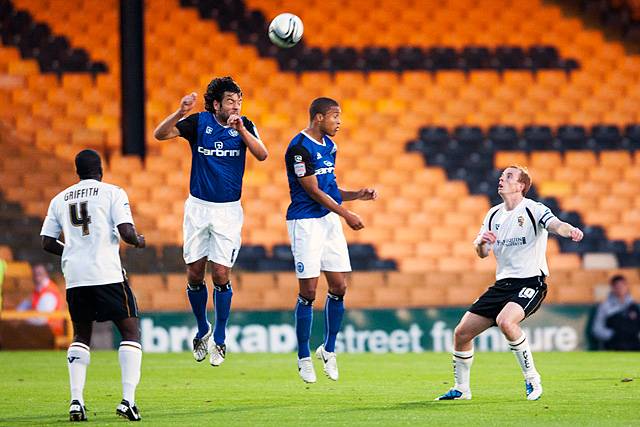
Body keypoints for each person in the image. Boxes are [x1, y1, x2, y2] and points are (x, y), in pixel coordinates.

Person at [435, 165, 583, 401]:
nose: (501, 179)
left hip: (531, 282)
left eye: (508, 176)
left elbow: (555, 224)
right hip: (502, 285)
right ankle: (462, 389)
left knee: (506, 321)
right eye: (502, 176)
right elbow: (481, 252)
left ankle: (532, 379)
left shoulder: (533, 209)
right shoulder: (493, 214)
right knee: (462, 333)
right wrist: (483, 242)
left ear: (521, 185)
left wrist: (570, 230)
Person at [153, 76, 268, 367]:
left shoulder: (246, 126)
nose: (236, 106)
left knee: (220, 275)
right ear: (216, 104)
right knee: (194, 273)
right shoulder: (198, 123)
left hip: (228, 211)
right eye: (230, 101)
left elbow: (263, 155)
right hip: (198, 208)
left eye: (239, 101)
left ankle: (219, 336)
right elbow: (160, 135)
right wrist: (180, 113)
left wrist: (242, 129)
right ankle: (202, 328)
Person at [40, 149, 146, 421]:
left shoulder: (59, 199)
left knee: (80, 335)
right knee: (130, 330)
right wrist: (139, 241)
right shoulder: (113, 193)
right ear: (100, 170)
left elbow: (47, 242)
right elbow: (126, 233)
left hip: (76, 276)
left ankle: (76, 401)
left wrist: (72, 249)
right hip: (107, 273)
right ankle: (128, 401)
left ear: (77, 172)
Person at [284, 97, 377, 383]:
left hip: (327, 221)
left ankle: (329, 349)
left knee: (339, 286)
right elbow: (312, 190)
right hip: (305, 222)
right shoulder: (299, 148)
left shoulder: (331, 147)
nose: (339, 122)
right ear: (319, 118)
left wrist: (356, 195)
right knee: (309, 292)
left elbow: (330, 188)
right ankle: (303, 356)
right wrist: (347, 214)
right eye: (335, 116)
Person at [591, 275, 640, 350]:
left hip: (634, 344)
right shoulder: (605, 306)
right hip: (615, 345)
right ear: (613, 288)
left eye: (623, 285)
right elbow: (597, 329)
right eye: (617, 286)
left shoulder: (634, 306)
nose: (621, 289)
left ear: (627, 287)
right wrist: (613, 335)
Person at [16, 264, 64, 335]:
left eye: (39, 274)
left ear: (46, 274)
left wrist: (21, 318)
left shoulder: (49, 293)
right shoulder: (37, 291)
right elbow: (21, 308)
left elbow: (41, 320)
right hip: (41, 329)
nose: (36, 277)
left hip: (51, 331)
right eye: (35, 274)